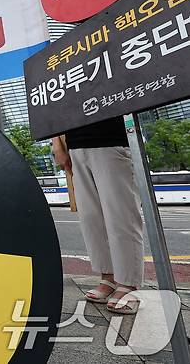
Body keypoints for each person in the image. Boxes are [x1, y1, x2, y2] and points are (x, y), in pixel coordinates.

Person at [53, 118, 144, 314]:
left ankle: (129, 284)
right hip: (75, 146)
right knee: (91, 220)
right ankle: (108, 277)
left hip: (111, 140)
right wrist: (57, 145)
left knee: (121, 216)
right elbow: (53, 107)